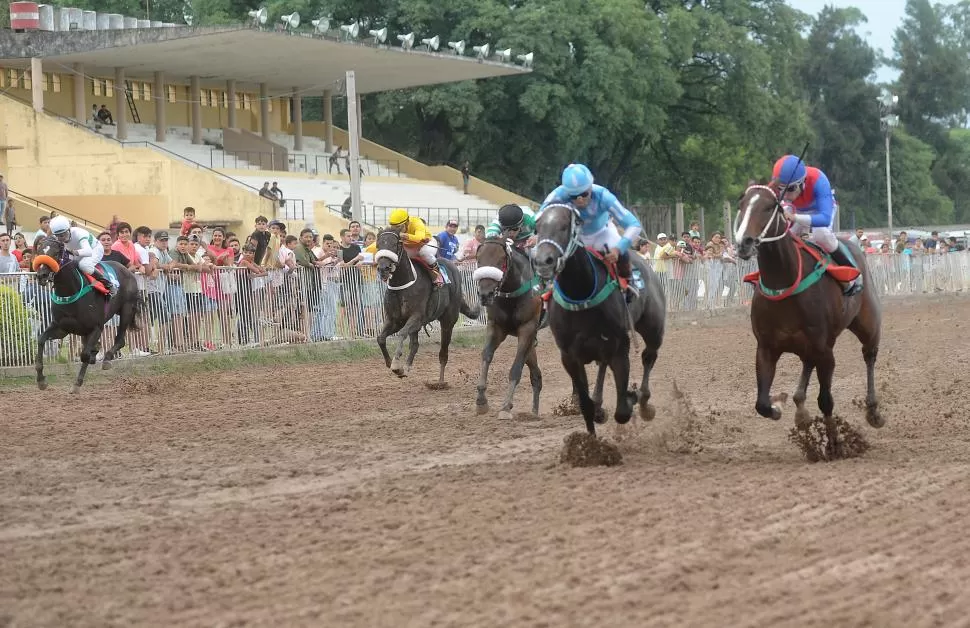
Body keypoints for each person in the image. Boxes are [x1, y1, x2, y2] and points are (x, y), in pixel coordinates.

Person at [540, 164, 642, 301]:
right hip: (575, 237)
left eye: (584, 194)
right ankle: (550, 287)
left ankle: (629, 281)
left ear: (590, 187)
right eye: (574, 196)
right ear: (566, 192)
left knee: (621, 251)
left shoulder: (604, 196)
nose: (580, 199)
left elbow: (634, 225)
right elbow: (540, 217)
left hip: (603, 233)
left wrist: (618, 248)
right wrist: (538, 236)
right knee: (553, 253)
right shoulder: (558, 194)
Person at [771, 154, 861, 296]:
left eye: (789, 189)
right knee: (782, 236)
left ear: (802, 182)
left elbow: (824, 218)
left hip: (821, 210)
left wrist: (794, 217)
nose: (785, 194)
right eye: (780, 189)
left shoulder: (819, 180)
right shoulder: (784, 186)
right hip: (797, 209)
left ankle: (852, 275)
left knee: (821, 234)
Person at [49, 215, 116, 295]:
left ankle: (108, 284)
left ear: (68, 230)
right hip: (78, 251)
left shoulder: (79, 234)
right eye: (57, 236)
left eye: (62, 235)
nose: (60, 238)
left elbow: (88, 251)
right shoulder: (58, 237)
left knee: (84, 265)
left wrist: (73, 252)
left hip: (94, 249)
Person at [387, 208, 443, 288]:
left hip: (426, 243)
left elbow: (419, 238)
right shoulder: (398, 226)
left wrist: (404, 235)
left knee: (424, 253)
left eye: (398, 227)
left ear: (406, 223)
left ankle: (438, 274)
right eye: (394, 227)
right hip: (409, 246)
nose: (396, 230)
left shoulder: (416, 222)